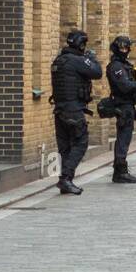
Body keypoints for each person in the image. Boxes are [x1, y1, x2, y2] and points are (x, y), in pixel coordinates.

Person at [50, 29, 103, 195]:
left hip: (60, 110)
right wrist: (91, 58)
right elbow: (97, 72)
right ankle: (65, 178)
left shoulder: (59, 60)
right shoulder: (77, 60)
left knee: (65, 147)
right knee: (80, 143)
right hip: (73, 110)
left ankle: (66, 180)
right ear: (80, 44)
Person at [105, 35, 136, 184]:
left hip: (128, 105)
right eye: (121, 47)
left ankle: (120, 170)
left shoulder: (124, 65)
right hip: (122, 105)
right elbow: (124, 86)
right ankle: (120, 171)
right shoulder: (116, 66)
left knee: (126, 138)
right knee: (123, 138)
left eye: (126, 48)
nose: (124, 50)